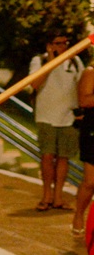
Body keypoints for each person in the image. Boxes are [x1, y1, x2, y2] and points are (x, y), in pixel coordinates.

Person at [28, 31, 82, 212]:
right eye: (58, 43)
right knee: (47, 156)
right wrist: (51, 61)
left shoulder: (75, 62)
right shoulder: (40, 61)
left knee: (63, 157)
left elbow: (83, 84)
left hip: (68, 117)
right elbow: (34, 84)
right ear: (50, 45)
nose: (63, 47)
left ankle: (58, 196)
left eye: (65, 43)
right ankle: (46, 195)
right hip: (46, 116)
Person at [73, 60, 94, 235]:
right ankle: (78, 214)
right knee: (90, 182)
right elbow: (84, 100)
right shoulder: (91, 71)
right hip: (93, 130)